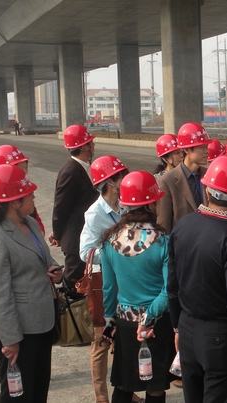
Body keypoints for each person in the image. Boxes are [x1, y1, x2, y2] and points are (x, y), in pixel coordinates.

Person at [168, 154, 227, 402]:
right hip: (221, 336)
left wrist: (177, 326)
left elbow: (172, 286)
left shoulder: (183, 225)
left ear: (206, 190)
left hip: (188, 328)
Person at [0, 164, 63, 403]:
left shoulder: (30, 224)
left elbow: (45, 258)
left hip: (41, 323)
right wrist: (10, 339)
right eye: (29, 194)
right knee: (17, 395)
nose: (34, 196)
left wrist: (56, 271)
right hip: (19, 331)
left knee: (38, 389)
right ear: (14, 202)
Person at [100, 171, 174, 403]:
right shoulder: (163, 241)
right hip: (157, 324)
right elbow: (168, 289)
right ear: (151, 205)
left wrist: (110, 321)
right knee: (155, 386)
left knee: (124, 383)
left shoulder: (110, 241)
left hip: (125, 323)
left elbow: (108, 288)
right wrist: (149, 317)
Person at [79, 155, 138, 403]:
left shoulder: (126, 206)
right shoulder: (94, 214)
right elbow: (85, 252)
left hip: (127, 283)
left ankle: (126, 390)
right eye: (120, 176)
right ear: (108, 182)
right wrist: (116, 250)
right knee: (101, 342)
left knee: (124, 340)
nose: (124, 179)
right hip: (104, 287)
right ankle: (101, 397)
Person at [48, 124, 98, 290]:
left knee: (84, 282)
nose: (93, 145)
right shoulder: (71, 171)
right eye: (90, 142)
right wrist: (58, 233)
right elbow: (61, 206)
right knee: (74, 283)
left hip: (84, 234)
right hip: (75, 238)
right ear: (83, 146)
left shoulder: (84, 167)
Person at [156, 122, 212, 233]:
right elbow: (164, 224)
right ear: (186, 150)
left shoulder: (209, 175)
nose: (207, 151)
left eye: (206, 146)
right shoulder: (167, 182)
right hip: (182, 241)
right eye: (201, 147)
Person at [0, 144, 45, 234]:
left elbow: (35, 217)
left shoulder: (23, 190)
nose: (25, 172)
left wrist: (40, 232)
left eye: (25, 167)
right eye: (20, 168)